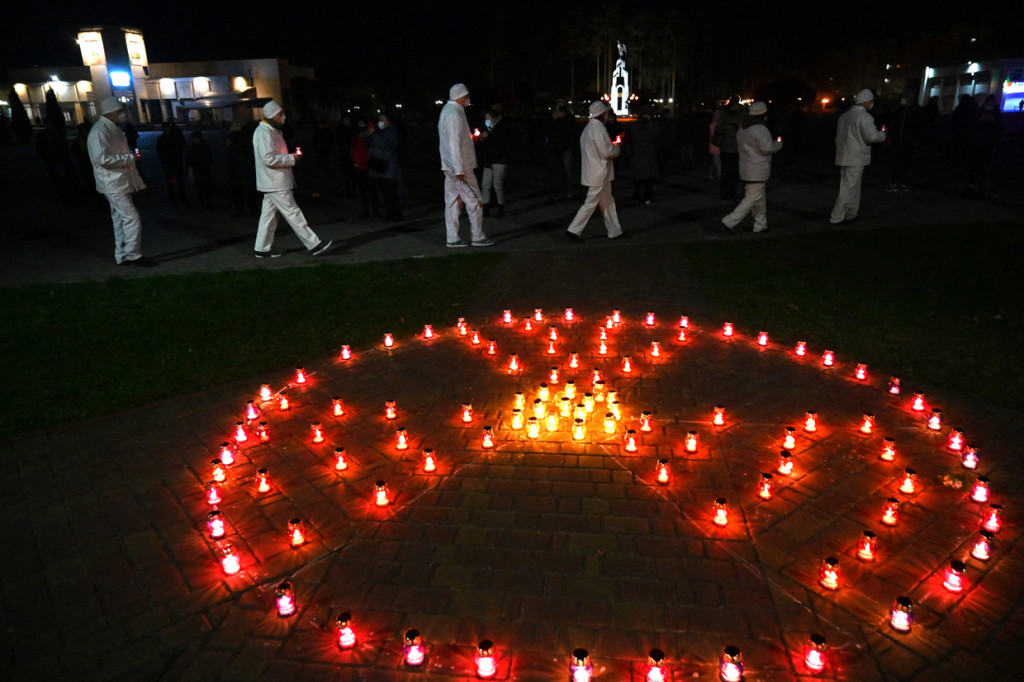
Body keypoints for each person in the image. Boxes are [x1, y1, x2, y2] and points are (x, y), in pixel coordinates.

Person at [253, 100, 333, 258]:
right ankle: (314, 244)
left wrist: (290, 158)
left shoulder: (271, 130)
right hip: (275, 182)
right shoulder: (264, 132)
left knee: (268, 218)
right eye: (280, 114)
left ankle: (261, 248)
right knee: (293, 213)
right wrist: (292, 159)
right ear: (273, 115)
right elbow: (268, 159)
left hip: (273, 182)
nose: (283, 116)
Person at [87, 96, 153, 266]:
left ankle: (122, 255)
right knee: (131, 217)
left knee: (120, 219)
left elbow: (123, 158)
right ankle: (133, 255)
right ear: (110, 112)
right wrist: (130, 158)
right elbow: (102, 159)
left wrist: (138, 181)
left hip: (118, 182)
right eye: (119, 112)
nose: (122, 115)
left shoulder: (112, 129)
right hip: (112, 183)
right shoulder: (99, 131)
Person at [438, 83, 493, 247]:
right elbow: (454, 144)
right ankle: (477, 237)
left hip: (451, 167)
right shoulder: (454, 114)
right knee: (476, 201)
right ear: (460, 96)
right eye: (466, 95)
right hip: (460, 168)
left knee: (453, 202)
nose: (468, 99)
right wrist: (459, 169)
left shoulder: (450, 111)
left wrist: (472, 140)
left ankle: (452, 238)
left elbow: (455, 141)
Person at [565, 100, 623, 241]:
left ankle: (614, 231)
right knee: (593, 203)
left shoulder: (589, 128)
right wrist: (617, 148)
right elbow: (606, 152)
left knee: (606, 202)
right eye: (606, 112)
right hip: (600, 173)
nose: (607, 114)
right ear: (602, 113)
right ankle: (573, 230)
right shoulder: (598, 129)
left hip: (596, 172)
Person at [721, 101, 782, 233]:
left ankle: (760, 225)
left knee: (758, 198)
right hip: (758, 169)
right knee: (752, 198)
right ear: (763, 114)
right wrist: (779, 143)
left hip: (746, 168)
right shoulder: (760, 128)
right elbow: (767, 148)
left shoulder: (743, 127)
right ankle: (729, 221)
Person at [830, 89, 886, 224]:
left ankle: (851, 214)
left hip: (844, 155)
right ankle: (837, 217)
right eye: (871, 101)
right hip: (856, 157)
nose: (872, 104)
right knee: (849, 188)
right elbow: (871, 136)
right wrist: (882, 134)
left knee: (852, 186)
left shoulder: (844, 116)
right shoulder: (865, 117)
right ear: (866, 101)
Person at [369, 112, 403, 221]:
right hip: (380, 166)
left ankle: (394, 215)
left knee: (390, 193)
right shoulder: (380, 131)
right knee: (385, 193)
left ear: (389, 121)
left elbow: (385, 145)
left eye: (382, 119)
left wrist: (374, 135)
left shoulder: (392, 132)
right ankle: (392, 214)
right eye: (379, 119)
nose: (380, 122)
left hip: (389, 168)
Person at [478, 109, 509, 216]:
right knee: (485, 184)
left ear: (494, 118)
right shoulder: (489, 129)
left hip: (499, 160)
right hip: (489, 161)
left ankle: (501, 207)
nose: (486, 120)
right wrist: (482, 140)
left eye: (488, 118)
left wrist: (487, 138)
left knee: (498, 185)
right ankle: (485, 207)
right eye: (485, 118)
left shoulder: (502, 128)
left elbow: (501, 144)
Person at [628, 106, 660, 204]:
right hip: (638, 154)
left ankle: (647, 197)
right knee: (637, 178)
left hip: (648, 154)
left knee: (648, 179)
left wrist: (649, 124)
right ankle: (636, 196)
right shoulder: (635, 125)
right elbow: (634, 137)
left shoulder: (653, 125)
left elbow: (656, 135)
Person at [546, 100, 577, 200]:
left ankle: (568, 191)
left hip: (566, 147)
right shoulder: (553, 118)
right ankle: (555, 192)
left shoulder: (569, 118)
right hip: (554, 148)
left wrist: (563, 118)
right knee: (554, 171)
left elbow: (572, 131)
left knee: (567, 170)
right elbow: (546, 129)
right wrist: (554, 119)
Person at [717, 95, 745, 200]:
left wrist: (736, 127)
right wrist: (726, 129)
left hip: (737, 147)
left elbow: (745, 128)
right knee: (726, 171)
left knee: (734, 172)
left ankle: (731, 192)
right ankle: (725, 193)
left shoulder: (743, 113)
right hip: (726, 146)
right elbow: (718, 129)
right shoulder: (724, 113)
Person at [156, 121, 188, 205]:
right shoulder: (165, 138)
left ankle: (180, 197)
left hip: (174, 162)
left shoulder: (168, 138)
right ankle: (175, 198)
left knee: (178, 180)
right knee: (172, 181)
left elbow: (182, 147)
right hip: (171, 163)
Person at [186, 130, 214, 209]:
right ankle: (204, 204)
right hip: (199, 170)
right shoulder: (196, 148)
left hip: (203, 170)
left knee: (205, 188)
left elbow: (209, 159)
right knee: (200, 188)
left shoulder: (203, 147)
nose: (194, 140)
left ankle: (207, 204)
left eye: (195, 139)